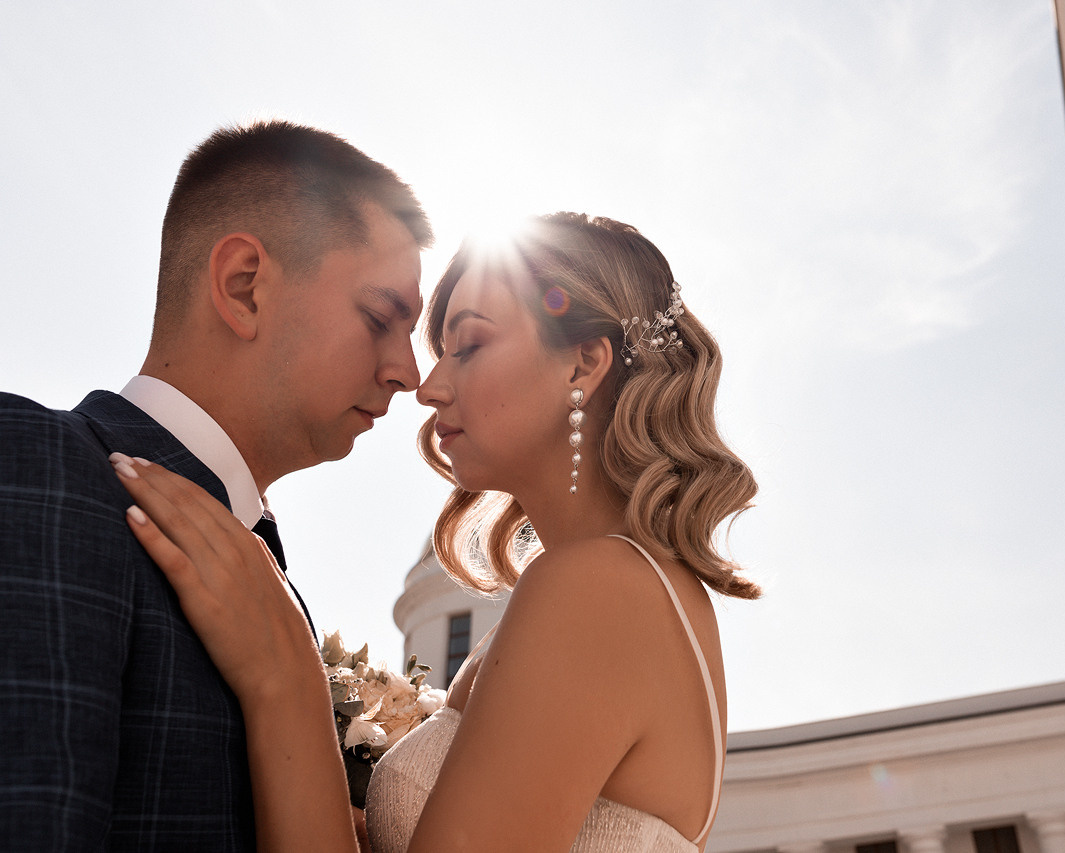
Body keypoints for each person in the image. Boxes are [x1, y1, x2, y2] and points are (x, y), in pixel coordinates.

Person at [111, 212, 760, 852]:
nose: (429, 387)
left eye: (469, 345)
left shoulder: (598, 589)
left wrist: (288, 683)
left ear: (583, 363)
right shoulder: (621, 586)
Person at [0, 119, 432, 850]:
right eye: (380, 317)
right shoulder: (39, 467)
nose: (409, 372)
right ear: (245, 286)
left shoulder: (271, 580)